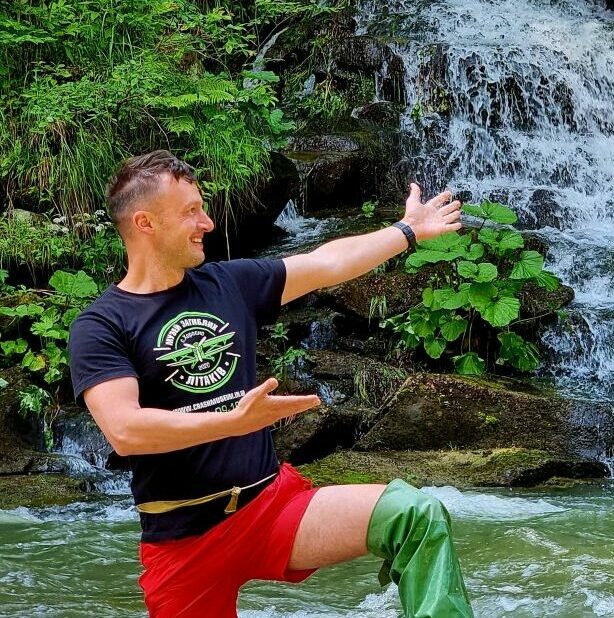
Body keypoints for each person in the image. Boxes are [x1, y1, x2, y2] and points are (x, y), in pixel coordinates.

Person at [68, 150, 475, 617]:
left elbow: (326, 263)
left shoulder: (228, 284)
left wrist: (407, 232)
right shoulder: (101, 324)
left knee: (413, 515)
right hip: (184, 541)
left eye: (202, 207)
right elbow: (126, 430)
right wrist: (233, 421)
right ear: (145, 223)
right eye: (190, 212)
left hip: (271, 507)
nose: (207, 222)